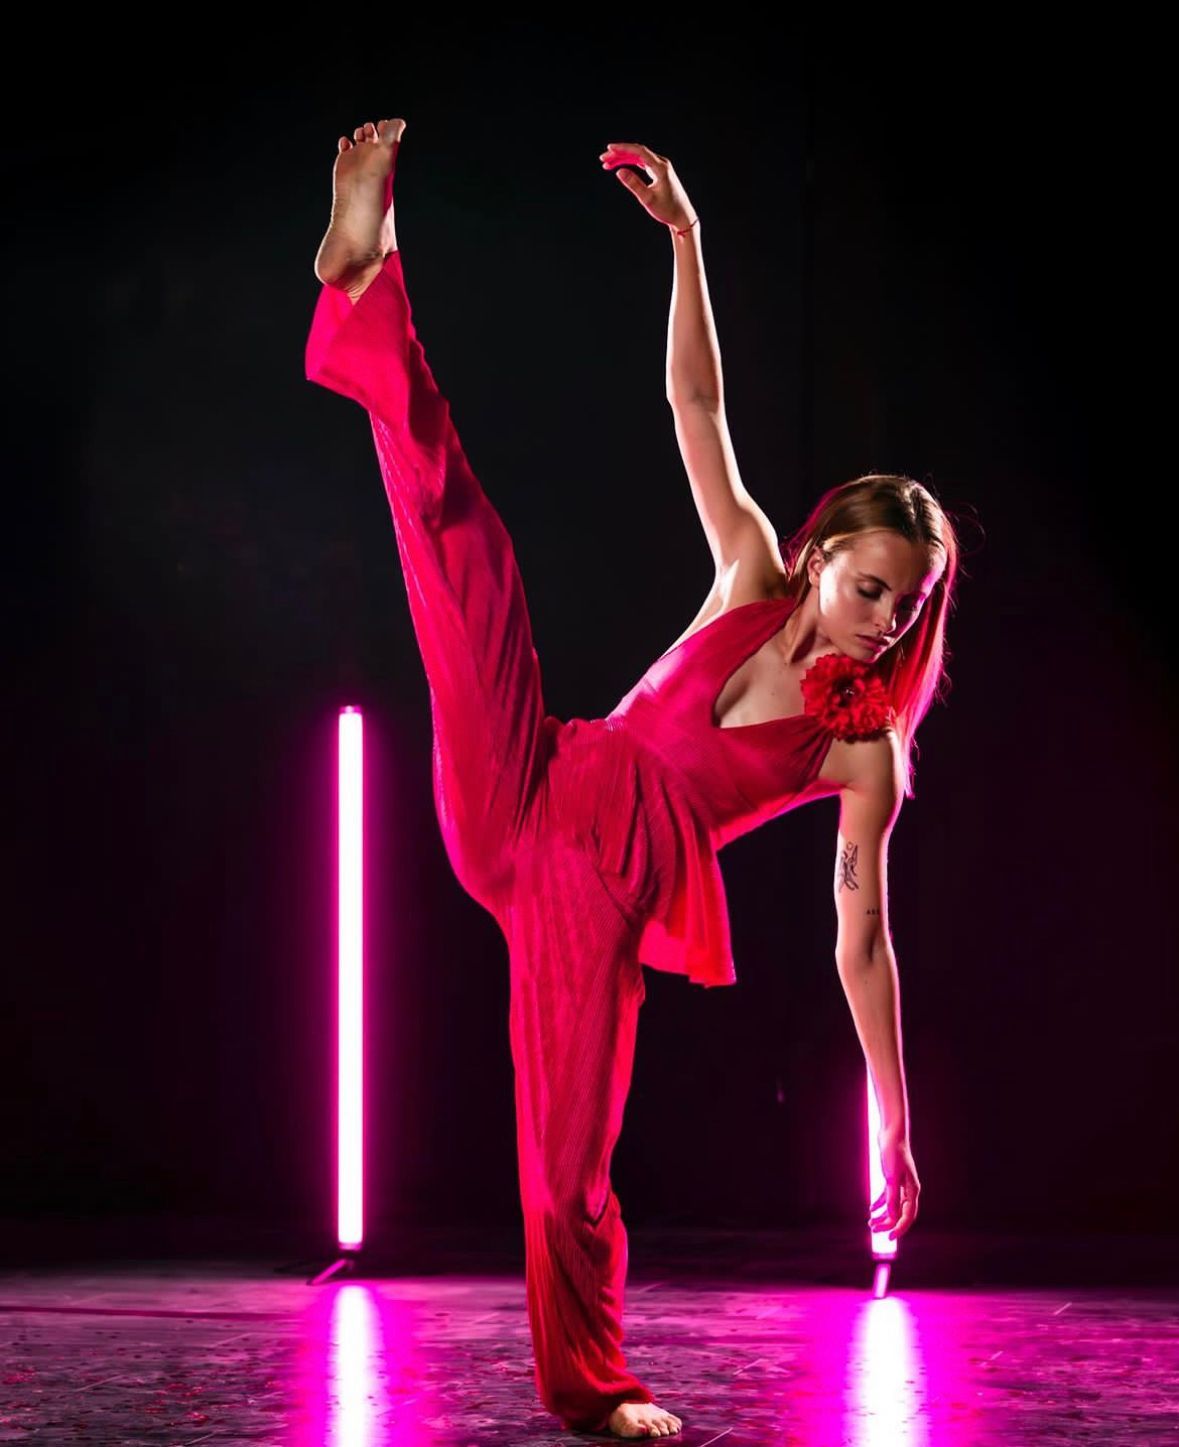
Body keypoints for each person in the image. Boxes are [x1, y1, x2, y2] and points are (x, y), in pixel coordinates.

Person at [307, 117, 955, 1440]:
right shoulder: (750, 571)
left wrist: (893, 1121)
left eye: (908, 605)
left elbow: (864, 943)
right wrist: (689, 242)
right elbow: (695, 409)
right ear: (821, 555)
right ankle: (368, 281)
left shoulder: (861, 746)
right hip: (532, 778)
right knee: (468, 551)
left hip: (592, 898)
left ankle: (591, 1388)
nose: (884, 622)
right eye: (871, 588)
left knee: (568, 1172)